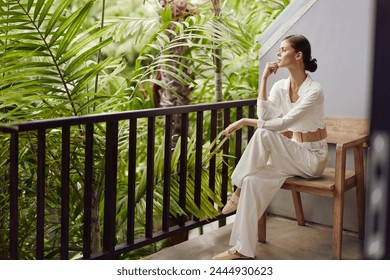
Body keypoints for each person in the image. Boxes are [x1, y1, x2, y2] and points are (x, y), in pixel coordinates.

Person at [212, 34, 329, 260]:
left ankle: (236, 190)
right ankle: (242, 249)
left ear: (298, 55)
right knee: (252, 181)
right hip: (293, 152)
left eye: (282, 49)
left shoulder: (314, 91)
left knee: (264, 133)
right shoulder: (280, 86)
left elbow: (285, 123)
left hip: (313, 158)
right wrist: (264, 79)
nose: (278, 54)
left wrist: (244, 121)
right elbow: (266, 115)